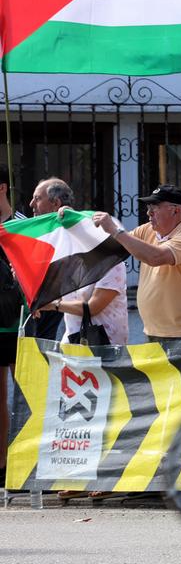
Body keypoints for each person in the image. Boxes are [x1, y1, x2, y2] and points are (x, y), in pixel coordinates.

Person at [92, 185, 181, 342]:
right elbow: (117, 244)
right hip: (156, 330)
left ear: (175, 210)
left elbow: (156, 257)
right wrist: (77, 219)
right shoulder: (150, 230)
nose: (148, 213)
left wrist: (115, 230)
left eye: (155, 207)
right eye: (149, 207)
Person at [0, 164, 25, 482]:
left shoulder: (22, 226)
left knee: (28, 397)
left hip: (19, 323)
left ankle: (29, 463)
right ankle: (3, 465)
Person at [27, 177, 75, 340]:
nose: (31, 204)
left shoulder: (74, 232)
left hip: (64, 321)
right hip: (40, 320)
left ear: (56, 204)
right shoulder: (39, 233)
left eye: (37, 199)